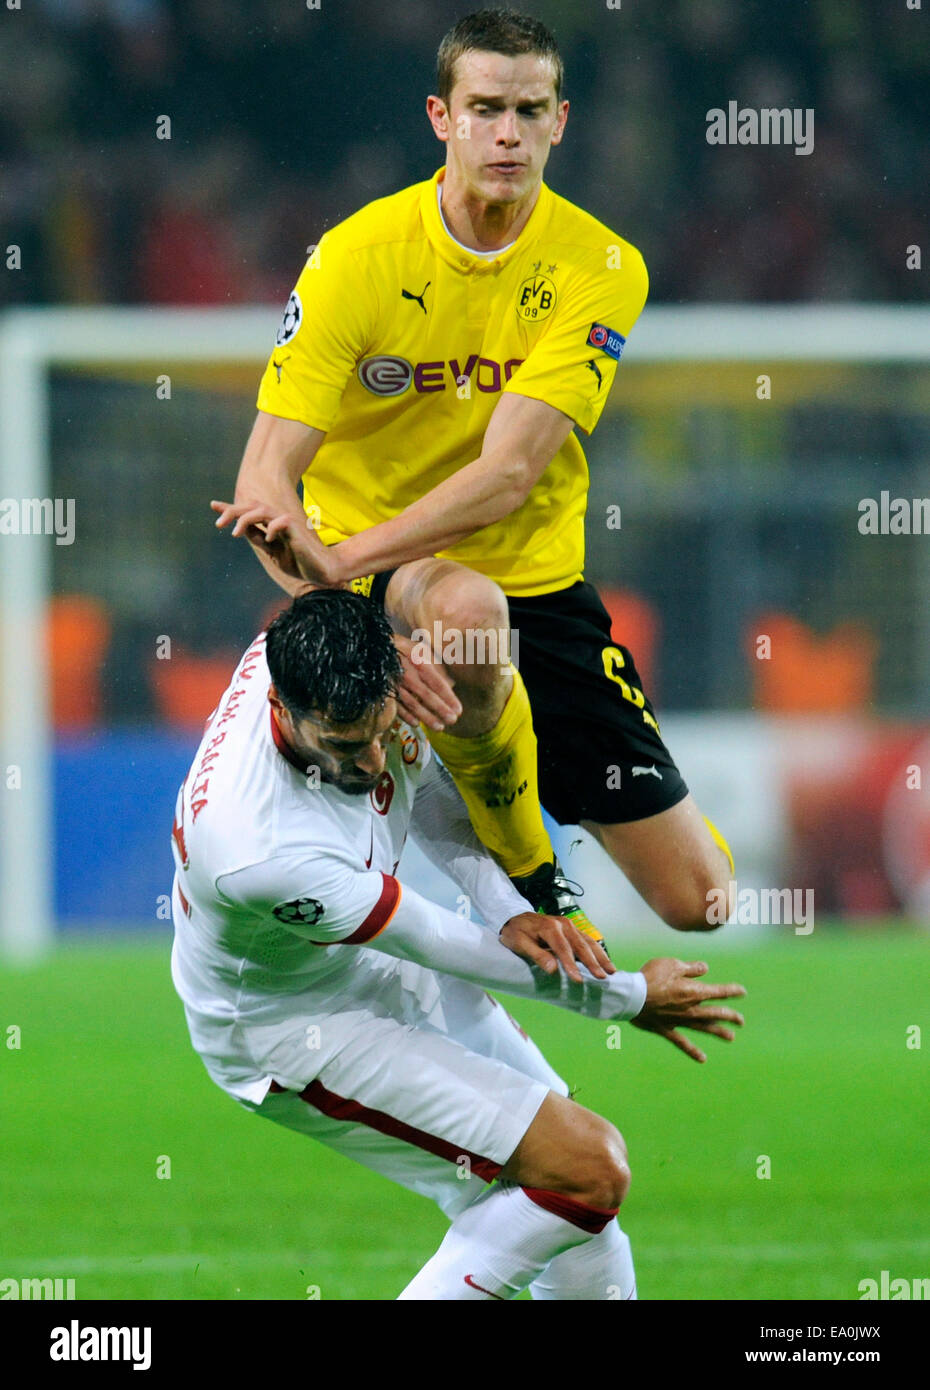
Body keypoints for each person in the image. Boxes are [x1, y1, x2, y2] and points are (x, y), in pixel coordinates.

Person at [212, 8, 734, 950]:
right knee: (463, 610)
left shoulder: (602, 266)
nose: (507, 133)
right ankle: (535, 873)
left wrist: (335, 559)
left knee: (703, 902)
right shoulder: (356, 258)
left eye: (530, 111)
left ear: (561, 121)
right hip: (391, 575)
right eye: (485, 107)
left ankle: (492, 752)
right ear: (439, 116)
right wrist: (327, 578)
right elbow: (265, 470)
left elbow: (507, 476)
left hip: (521, 574)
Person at [170, 590, 745, 1300]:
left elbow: (433, 791)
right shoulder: (259, 847)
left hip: (357, 963)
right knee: (587, 1169)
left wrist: (509, 908)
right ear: (282, 712)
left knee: (564, 1183)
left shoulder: (316, 658)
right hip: (291, 1031)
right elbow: (436, 941)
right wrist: (627, 998)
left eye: (384, 727)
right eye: (348, 748)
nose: (375, 758)